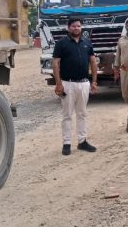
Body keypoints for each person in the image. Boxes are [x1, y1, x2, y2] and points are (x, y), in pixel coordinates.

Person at [52, 18, 98, 155]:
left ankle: (82, 141)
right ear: (68, 28)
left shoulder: (87, 43)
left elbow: (93, 62)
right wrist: (58, 84)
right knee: (67, 115)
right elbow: (55, 64)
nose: (76, 28)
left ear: (81, 27)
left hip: (84, 83)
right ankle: (66, 143)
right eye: (73, 26)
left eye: (78, 26)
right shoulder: (61, 43)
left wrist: (94, 82)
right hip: (67, 84)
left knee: (82, 113)